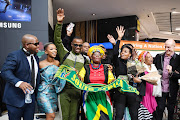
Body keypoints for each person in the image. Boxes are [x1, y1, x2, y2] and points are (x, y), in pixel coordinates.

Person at [54, 8, 87, 120]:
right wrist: (59, 23)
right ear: (72, 44)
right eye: (76, 45)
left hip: (77, 91)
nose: (78, 47)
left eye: (80, 45)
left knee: (73, 117)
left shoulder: (84, 59)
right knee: (64, 117)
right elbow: (57, 40)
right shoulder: (65, 53)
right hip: (64, 90)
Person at [1, 34, 40, 120]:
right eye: (35, 44)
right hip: (15, 99)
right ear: (26, 45)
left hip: (30, 100)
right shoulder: (15, 55)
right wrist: (19, 83)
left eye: (38, 43)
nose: (38, 46)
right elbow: (5, 71)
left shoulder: (35, 57)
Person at [110, 26, 145, 120]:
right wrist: (119, 39)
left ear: (130, 54)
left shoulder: (132, 63)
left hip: (131, 93)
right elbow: (114, 53)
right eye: (121, 51)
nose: (122, 53)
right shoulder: (117, 62)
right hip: (120, 93)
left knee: (134, 116)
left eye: (125, 52)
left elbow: (135, 76)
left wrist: (134, 60)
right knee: (118, 116)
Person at [78, 46, 115, 120]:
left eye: (99, 55)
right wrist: (75, 74)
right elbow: (80, 78)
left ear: (101, 57)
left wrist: (116, 81)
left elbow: (111, 80)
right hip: (90, 95)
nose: (97, 56)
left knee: (105, 116)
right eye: (95, 54)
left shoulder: (105, 68)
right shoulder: (85, 68)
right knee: (91, 116)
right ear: (91, 57)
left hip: (103, 95)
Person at [154, 39, 180, 120]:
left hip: (172, 88)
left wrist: (171, 72)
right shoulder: (159, 57)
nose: (166, 49)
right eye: (165, 47)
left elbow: (179, 75)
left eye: (168, 47)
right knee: (160, 108)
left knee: (171, 109)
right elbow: (153, 69)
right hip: (160, 88)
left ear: (174, 46)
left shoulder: (178, 59)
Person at [37, 43, 60, 120]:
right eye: (51, 49)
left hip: (53, 92)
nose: (54, 51)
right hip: (43, 92)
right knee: (51, 115)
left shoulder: (57, 63)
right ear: (46, 52)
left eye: (55, 49)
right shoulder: (40, 64)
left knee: (51, 116)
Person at [138, 51, 158, 119]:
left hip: (152, 92)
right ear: (144, 59)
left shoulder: (154, 67)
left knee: (153, 108)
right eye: (148, 57)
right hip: (145, 91)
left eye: (151, 56)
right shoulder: (142, 68)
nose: (150, 58)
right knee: (146, 109)